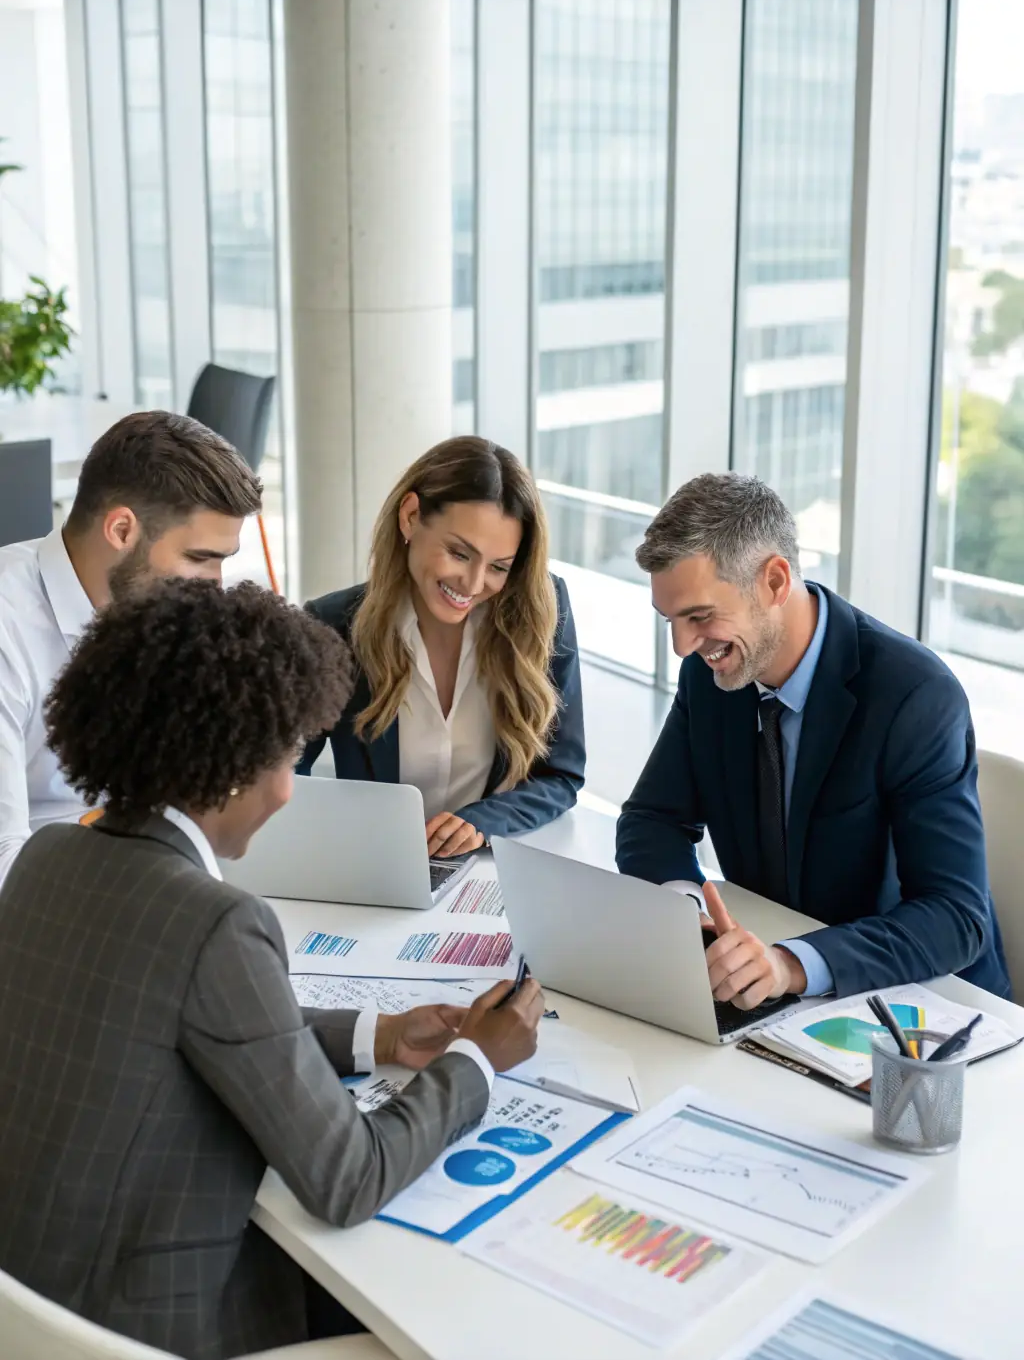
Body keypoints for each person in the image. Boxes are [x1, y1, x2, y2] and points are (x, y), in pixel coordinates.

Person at [0, 578, 543, 1360]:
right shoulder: (216, 922)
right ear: (227, 763)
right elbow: (347, 1178)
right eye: (287, 757)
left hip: (33, 1302)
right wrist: (477, 1059)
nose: (290, 791)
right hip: (152, 1327)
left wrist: (379, 1033)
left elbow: (188, 1020)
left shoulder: (48, 856)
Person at [617, 472, 1010, 1004]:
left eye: (699, 616)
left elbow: (955, 916)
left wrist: (791, 965)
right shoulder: (715, 674)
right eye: (671, 619)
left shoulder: (915, 696)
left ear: (775, 582)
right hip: (772, 987)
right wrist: (691, 918)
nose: (683, 646)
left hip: (925, 1008)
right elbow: (653, 820)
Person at [0, 409, 264, 888]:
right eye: (199, 558)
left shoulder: (159, 614)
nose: (214, 587)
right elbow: (4, 869)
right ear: (122, 530)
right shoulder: (7, 628)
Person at [299, 436, 586, 856]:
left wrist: (484, 822)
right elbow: (285, 772)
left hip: (491, 869)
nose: (472, 585)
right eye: (459, 553)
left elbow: (560, 775)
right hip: (374, 867)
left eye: (498, 567)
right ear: (411, 517)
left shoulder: (543, 610)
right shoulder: (334, 625)